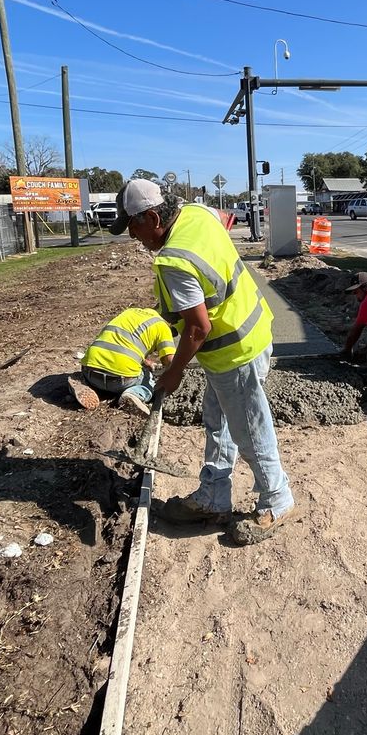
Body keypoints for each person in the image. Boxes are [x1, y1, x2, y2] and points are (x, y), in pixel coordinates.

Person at [115, 177, 297, 546]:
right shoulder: (197, 213)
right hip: (253, 330)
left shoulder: (173, 261)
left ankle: (277, 501)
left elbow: (198, 327)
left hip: (234, 353)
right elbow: (206, 281)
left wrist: (174, 373)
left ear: (152, 217)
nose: (133, 236)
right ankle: (214, 495)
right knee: (219, 422)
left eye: (133, 225)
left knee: (248, 429)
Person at [68, 306, 177, 417]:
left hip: (90, 371)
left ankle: (84, 384)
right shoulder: (163, 327)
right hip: (121, 381)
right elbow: (170, 361)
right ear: (170, 323)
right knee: (149, 381)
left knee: (99, 379)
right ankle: (133, 394)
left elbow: (123, 344)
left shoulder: (130, 312)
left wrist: (145, 362)